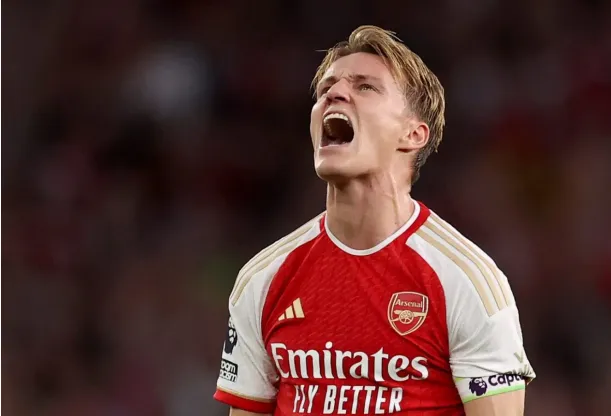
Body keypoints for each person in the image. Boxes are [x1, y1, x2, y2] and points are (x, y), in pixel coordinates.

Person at [214, 25, 535, 416]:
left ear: (412, 135)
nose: (334, 93)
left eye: (365, 87)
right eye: (326, 88)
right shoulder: (263, 279)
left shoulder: (468, 283)